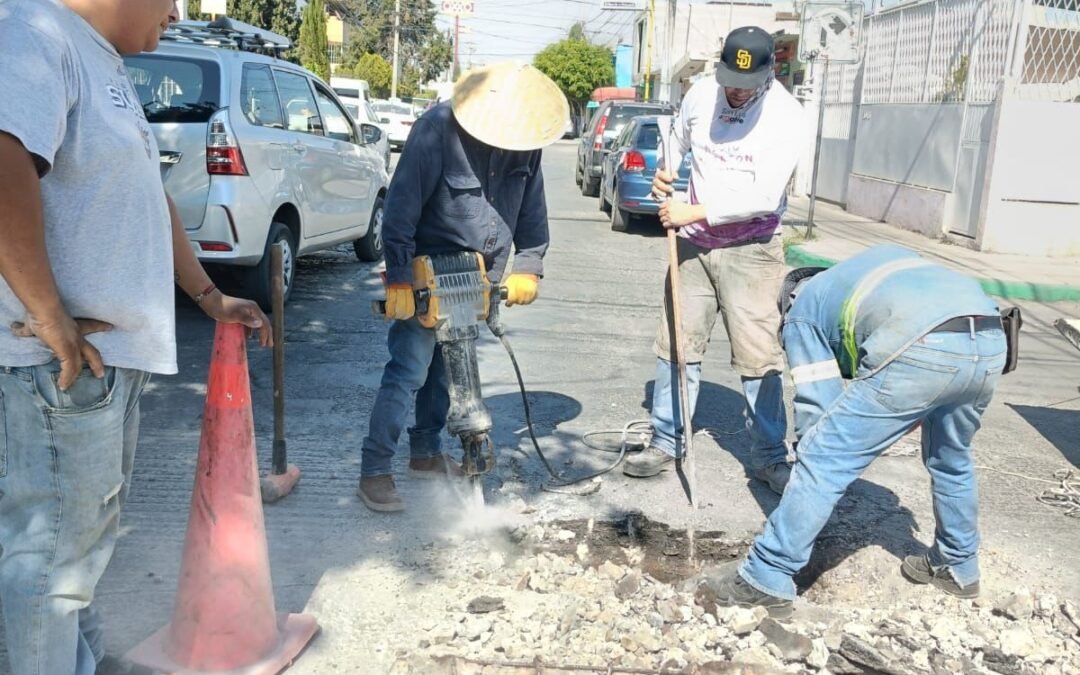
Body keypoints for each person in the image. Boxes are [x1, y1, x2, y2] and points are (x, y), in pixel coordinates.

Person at [0, 1, 272, 673]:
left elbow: (151, 197)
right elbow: (3, 160)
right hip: (60, 366)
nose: (176, 12)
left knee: (80, 551)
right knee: (52, 566)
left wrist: (209, 296)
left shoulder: (102, 61)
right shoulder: (34, 35)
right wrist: (49, 314)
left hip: (100, 364)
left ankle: (83, 661)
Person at [699, 245, 1008, 618]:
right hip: (990, 339)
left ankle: (766, 575)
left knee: (822, 456)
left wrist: (817, 472)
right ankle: (958, 566)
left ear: (788, 299)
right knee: (951, 458)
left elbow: (817, 409)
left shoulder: (802, 311)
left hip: (921, 343)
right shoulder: (865, 272)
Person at [357, 63, 569, 512]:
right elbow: (400, 208)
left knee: (447, 373)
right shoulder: (437, 130)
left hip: (478, 278)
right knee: (409, 371)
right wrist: (400, 277)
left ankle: (426, 453)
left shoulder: (526, 144)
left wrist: (529, 266)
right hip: (427, 273)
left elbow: (532, 212)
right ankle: (374, 470)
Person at [623, 26, 806, 495]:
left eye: (746, 84)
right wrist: (665, 170)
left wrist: (695, 210)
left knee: (759, 355)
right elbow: (676, 137)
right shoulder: (702, 94)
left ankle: (769, 456)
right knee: (677, 345)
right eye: (729, 80)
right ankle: (667, 440)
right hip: (693, 245)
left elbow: (764, 195)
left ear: (770, 73)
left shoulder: (786, 116)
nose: (736, 91)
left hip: (752, 249)